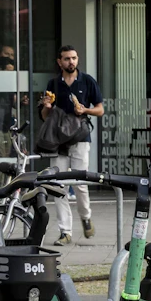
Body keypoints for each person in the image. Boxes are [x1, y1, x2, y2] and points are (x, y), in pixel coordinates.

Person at [40, 43, 104, 244]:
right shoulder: (53, 84)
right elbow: (44, 116)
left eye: (74, 58)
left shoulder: (87, 81)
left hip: (80, 138)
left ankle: (85, 217)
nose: (71, 62)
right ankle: (65, 232)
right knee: (57, 185)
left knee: (80, 184)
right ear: (60, 62)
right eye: (67, 58)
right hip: (58, 140)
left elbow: (100, 109)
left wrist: (85, 110)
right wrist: (47, 106)